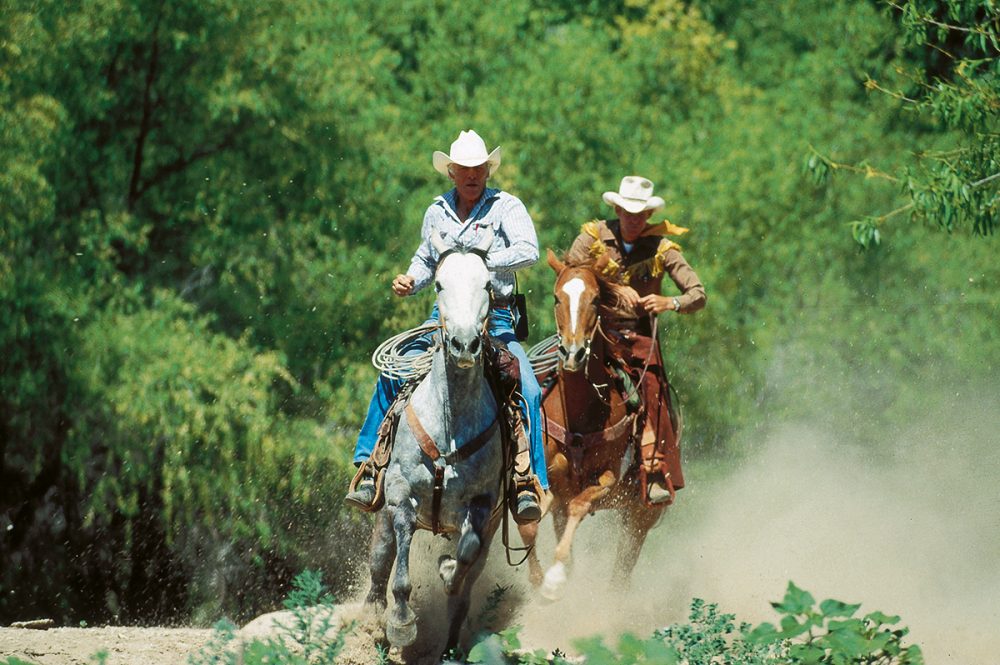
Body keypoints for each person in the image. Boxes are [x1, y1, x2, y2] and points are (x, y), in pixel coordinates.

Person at [344, 129, 547, 521]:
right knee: (395, 368)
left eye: (479, 168)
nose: (472, 175)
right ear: (451, 172)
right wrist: (411, 280)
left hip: (495, 315)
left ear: (488, 170)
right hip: (444, 318)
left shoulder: (506, 207)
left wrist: (481, 260)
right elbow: (425, 258)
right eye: (464, 169)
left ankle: (527, 482)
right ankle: (370, 464)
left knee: (529, 387)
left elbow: (529, 250)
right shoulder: (436, 211)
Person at [565, 175, 706, 505]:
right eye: (627, 212)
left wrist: (669, 302)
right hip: (590, 329)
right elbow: (570, 273)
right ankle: (533, 460)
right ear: (616, 209)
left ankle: (655, 467)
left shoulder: (662, 248)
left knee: (653, 388)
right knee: (546, 375)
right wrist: (613, 286)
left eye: (640, 214)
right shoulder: (592, 237)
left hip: (637, 337)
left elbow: (698, 294)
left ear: (648, 216)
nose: (633, 220)